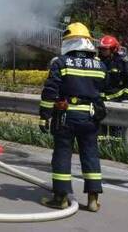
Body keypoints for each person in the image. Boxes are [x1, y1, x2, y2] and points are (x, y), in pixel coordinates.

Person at [39, 22, 107, 212]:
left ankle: (60, 198)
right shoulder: (100, 65)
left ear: (68, 43)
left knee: (62, 154)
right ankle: (93, 199)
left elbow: (50, 92)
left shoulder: (60, 63)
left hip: (66, 117)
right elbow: (103, 91)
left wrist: (44, 116)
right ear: (87, 42)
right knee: (90, 155)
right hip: (90, 117)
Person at [98, 35, 128, 139]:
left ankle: (115, 150)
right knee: (100, 133)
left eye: (105, 49)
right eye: (101, 49)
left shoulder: (123, 63)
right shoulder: (97, 61)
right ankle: (102, 151)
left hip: (117, 103)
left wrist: (122, 101)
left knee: (115, 134)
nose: (102, 51)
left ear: (113, 49)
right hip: (100, 102)